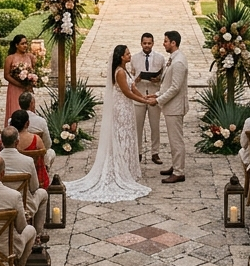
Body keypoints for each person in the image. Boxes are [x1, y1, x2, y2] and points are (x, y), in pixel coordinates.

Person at [67, 45, 157, 202]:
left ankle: (128, 169)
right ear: (121, 56)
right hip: (121, 108)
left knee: (129, 136)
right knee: (121, 136)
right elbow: (126, 92)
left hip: (127, 108)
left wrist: (145, 97)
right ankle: (118, 170)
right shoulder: (120, 72)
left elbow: (133, 87)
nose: (130, 55)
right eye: (127, 53)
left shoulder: (126, 69)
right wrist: (144, 101)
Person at [0, 126, 48, 233]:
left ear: (1, 142)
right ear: (17, 142)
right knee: (42, 193)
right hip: (24, 206)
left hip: (0, 204)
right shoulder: (28, 161)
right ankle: (37, 233)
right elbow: (34, 187)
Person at [155, 31, 189, 184]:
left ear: (173, 43)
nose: (164, 43)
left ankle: (179, 172)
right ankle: (176, 165)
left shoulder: (179, 62)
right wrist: (156, 95)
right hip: (170, 106)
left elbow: (175, 87)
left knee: (176, 140)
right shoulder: (173, 59)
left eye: (166, 41)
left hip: (175, 107)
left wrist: (158, 100)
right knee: (172, 139)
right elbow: (166, 83)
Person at [130, 32, 165, 166]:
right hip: (138, 95)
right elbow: (129, 76)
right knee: (137, 126)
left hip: (153, 94)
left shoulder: (160, 58)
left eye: (149, 43)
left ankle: (155, 153)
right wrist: (136, 79)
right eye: (144, 43)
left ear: (153, 43)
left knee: (155, 126)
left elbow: (165, 77)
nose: (147, 45)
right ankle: (137, 152)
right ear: (141, 43)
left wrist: (158, 79)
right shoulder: (134, 58)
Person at [10, 110, 50, 190]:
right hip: (36, 181)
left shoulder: (9, 141)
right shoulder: (36, 139)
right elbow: (44, 158)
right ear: (27, 123)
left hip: (14, 180)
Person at [4, 34, 37, 120]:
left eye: (26, 43)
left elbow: (34, 72)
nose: (25, 45)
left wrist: (31, 81)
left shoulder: (30, 57)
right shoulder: (10, 58)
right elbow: (6, 75)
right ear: (16, 45)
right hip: (15, 88)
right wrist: (19, 84)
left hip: (27, 88)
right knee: (15, 109)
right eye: (22, 44)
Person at [18, 92, 55, 167]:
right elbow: (48, 144)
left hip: (18, 155)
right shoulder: (41, 121)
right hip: (36, 157)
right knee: (51, 152)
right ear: (32, 104)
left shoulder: (11, 120)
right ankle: (45, 170)